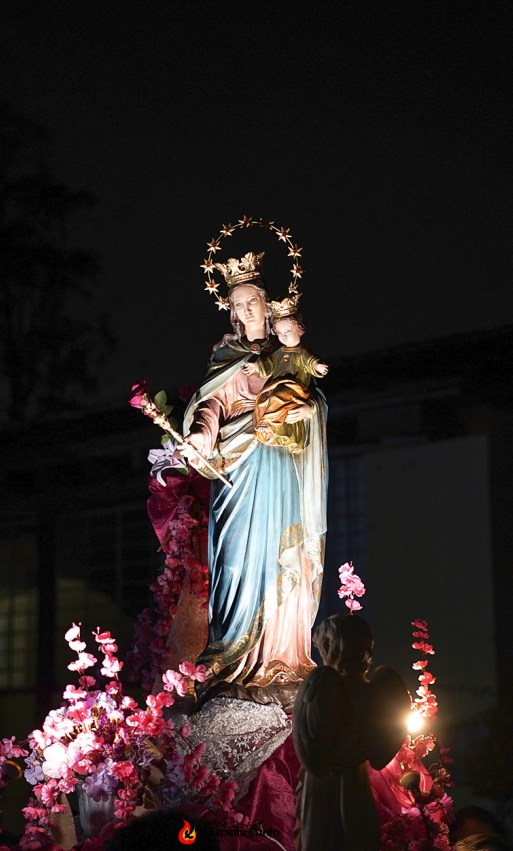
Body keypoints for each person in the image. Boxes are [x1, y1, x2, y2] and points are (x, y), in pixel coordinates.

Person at [180, 251, 328, 706]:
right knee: (235, 562)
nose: (245, 312)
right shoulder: (227, 356)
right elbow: (212, 404)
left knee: (283, 552)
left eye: (251, 302)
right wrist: (201, 434)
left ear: (268, 303)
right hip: (239, 467)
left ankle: (280, 655)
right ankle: (230, 653)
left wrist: (310, 409)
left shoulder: (288, 354)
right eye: (237, 305)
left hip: (280, 464)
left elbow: (312, 397)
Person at [291, 613, 410, 851]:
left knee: (320, 831)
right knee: (356, 831)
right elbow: (383, 746)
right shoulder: (377, 688)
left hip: (323, 777)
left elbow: (310, 748)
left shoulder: (322, 682)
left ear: (331, 644)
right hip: (355, 776)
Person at [250, 299, 329, 455]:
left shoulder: (302, 352)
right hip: (277, 385)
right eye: (280, 333)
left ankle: (268, 422)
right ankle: (273, 429)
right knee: (264, 400)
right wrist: (256, 366)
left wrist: (317, 366)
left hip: (294, 388)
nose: (284, 337)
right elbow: (268, 363)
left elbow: (310, 361)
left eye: (287, 332)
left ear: (299, 330)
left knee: (278, 396)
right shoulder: (279, 352)